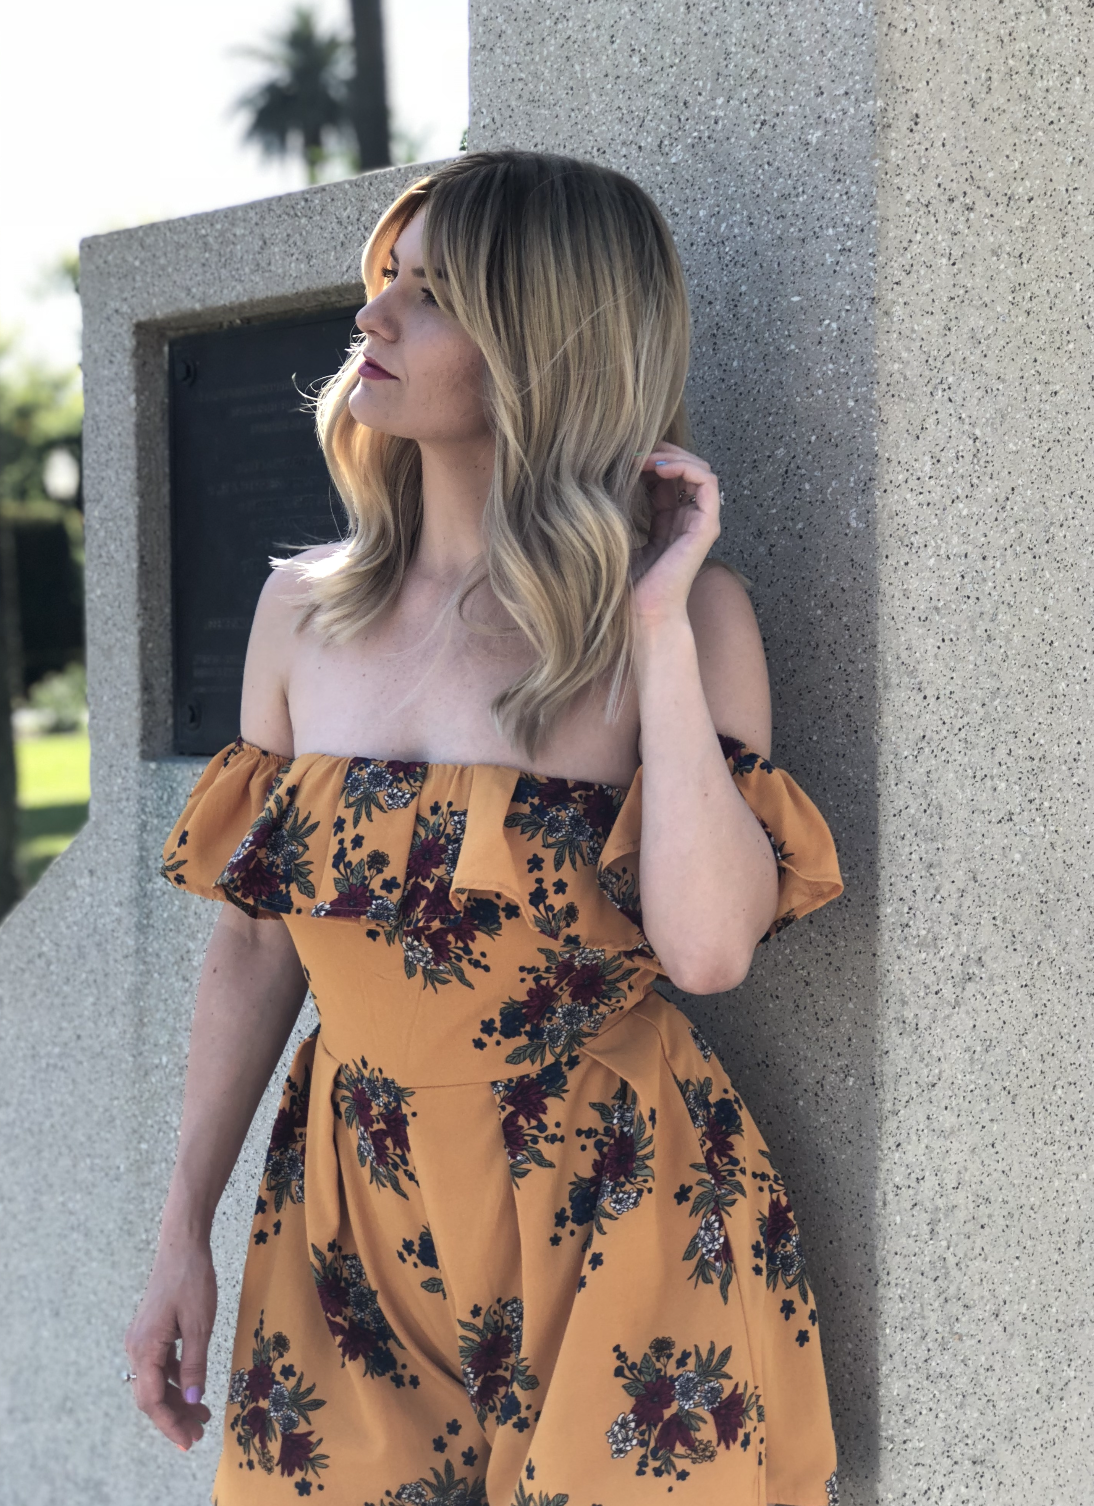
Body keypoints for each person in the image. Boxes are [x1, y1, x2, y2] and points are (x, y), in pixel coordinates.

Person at [126, 150, 844, 1506]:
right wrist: (182, 1231)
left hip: (615, 1200)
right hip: (349, 1208)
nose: (374, 316)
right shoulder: (300, 613)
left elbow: (708, 953)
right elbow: (255, 948)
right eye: (385, 279)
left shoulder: (690, 619)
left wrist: (654, 625)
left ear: (545, 342)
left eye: (433, 294)